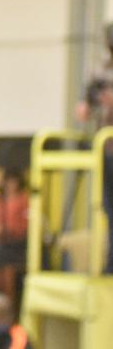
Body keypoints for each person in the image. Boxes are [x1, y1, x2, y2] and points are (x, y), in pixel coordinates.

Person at [75, 21, 113, 273]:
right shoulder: (102, 68)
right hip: (107, 149)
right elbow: (83, 110)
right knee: (108, 209)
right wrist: (89, 105)